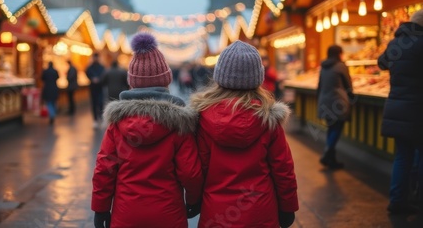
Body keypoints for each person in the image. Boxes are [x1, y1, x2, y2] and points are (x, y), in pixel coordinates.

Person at [92, 33, 203, 228]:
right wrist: (193, 200)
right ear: (166, 80)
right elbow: (190, 172)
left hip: (126, 215)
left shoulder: (117, 124)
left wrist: (100, 208)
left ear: (132, 81)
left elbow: (105, 169)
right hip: (168, 215)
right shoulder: (179, 124)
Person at [190, 40, 298, 228]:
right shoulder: (268, 119)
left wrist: (195, 201)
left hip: (217, 212)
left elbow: (200, 169)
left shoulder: (203, 118)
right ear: (257, 78)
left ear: (220, 76)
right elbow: (283, 168)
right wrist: (288, 207)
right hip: (260, 212)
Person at [378, 9, 423, 214]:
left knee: (402, 156)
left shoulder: (396, 42)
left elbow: (382, 63)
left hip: (396, 107)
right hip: (417, 109)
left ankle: (397, 201)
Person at [317, 45, 353, 169]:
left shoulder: (323, 67)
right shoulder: (341, 66)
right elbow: (348, 85)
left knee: (331, 128)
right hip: (338, 102)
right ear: (339, 53)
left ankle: (331, 159)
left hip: (325, 102)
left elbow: (319, 86)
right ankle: (327, 153)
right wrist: (351, 98)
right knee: (336, 128)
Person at [85, 53, 105, 127]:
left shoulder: (101, 67)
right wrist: (92, 79)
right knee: (94, 104)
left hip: (99, 87)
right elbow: (87, 73)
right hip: (93, 88)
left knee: (100, 103)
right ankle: (95, 120)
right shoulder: (90, 67)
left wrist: (99, 80)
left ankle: (101, 118)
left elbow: (104, 75)